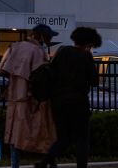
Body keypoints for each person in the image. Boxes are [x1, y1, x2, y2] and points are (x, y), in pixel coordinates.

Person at [35, 27, 102, 168]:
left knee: (64, 137)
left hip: (58, 102)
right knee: (82, 139)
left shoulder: (62, 51)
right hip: (79, 103)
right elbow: (95, 81)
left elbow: (51, 72)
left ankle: (44, 161)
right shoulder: (86, 56)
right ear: (89, 43)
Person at [0, 24, 58, 168]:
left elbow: (2, 69)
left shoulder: (14, 47)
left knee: (15, 135)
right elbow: (41, 77)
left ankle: (15, 165)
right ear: (43, 37)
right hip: (32, 100)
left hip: (14, 98)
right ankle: (50, 163)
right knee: (44, 133)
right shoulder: (38, 51)